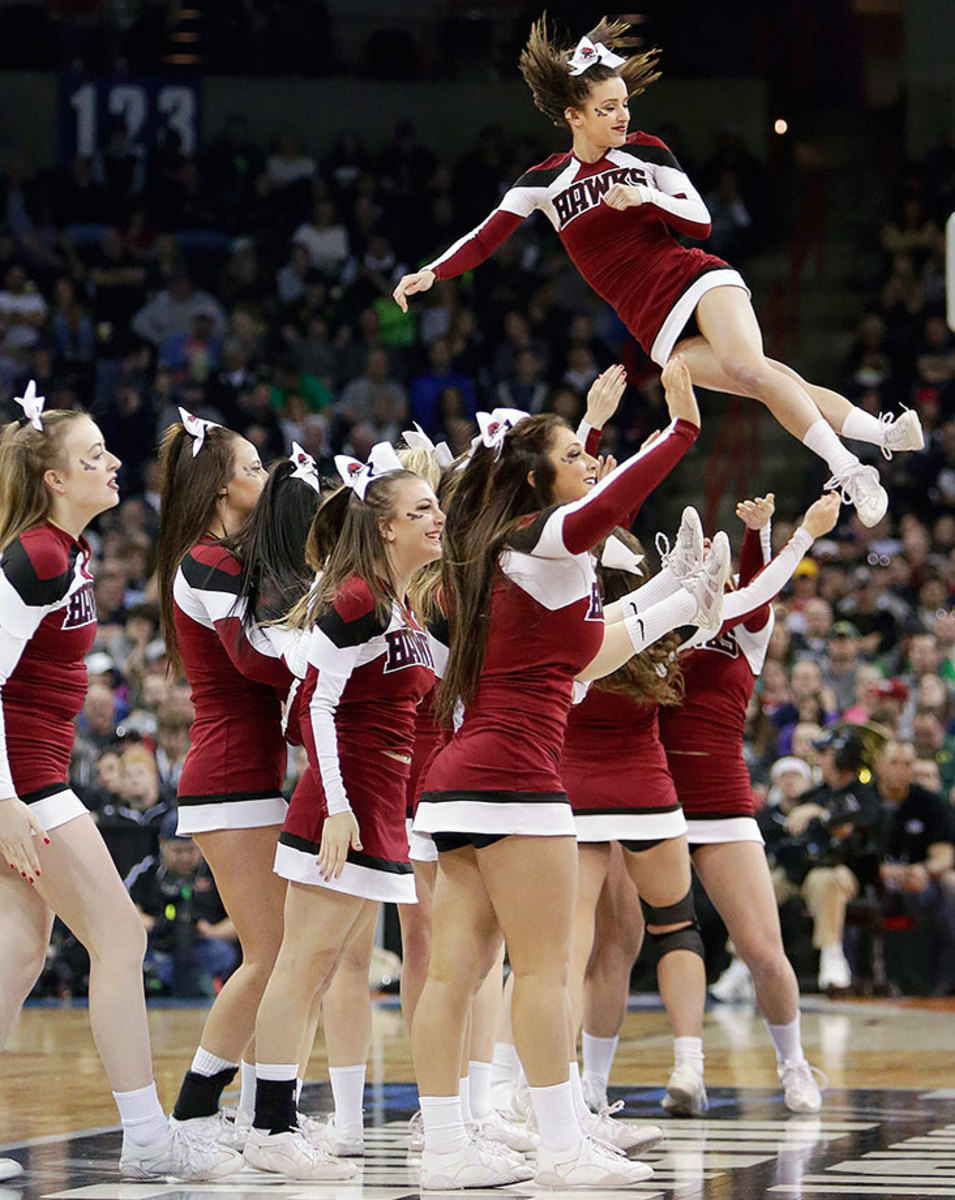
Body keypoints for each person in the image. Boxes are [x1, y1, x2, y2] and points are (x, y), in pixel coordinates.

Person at [393, 16, 925, 528]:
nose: (622, 116)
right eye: (608, 108)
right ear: (575, 115)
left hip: (695, 279)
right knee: (772, 379)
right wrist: (432, 274)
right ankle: (877, 432)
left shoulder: (646, 152)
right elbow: (486, 235)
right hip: (652, 321)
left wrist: (644, 194)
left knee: (747, 366)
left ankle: (851, 471)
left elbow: (701, 222)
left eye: (624, 104)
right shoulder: (544, 181)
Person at [409, 359, 731, 1190]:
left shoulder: (499, 555)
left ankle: (445, 1151)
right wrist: (680, 433)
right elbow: (602, 508)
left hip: (456, 784)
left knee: (454, 975)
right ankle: (560, 1148)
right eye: (577, 453)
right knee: (545, 973)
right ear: (534, 475)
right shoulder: (541, 538)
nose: (592, 462)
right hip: (517, 783)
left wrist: (678, 598)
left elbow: (587, 655)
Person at [0, 384, 239, 1182]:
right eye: (92, 454)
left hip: (28, 779)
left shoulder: (67, 552)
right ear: (53, 479)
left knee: (21, 953)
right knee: (120, 937)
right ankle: (145, 1134)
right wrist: (6, 802)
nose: (112, 462)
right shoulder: (32, 555)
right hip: (23, 783)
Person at [245, 444, 445, 1181]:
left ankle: (278, 1119)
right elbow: (314, 705)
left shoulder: (399, 603)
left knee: (323, 968)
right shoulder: (356, 598)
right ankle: (268, 1127)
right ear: (385, 526)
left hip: (380, 805)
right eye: (421, 509)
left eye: (436, 506)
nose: (437, 519)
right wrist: (334, 806)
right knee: (303, 965)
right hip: (346, 805)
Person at [659, 491, 840, 1111]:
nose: (718, 575)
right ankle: (655, 1075)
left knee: (763, 947)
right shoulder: (658, 623)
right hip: (651, 801)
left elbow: (761, 594)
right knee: (627, 943)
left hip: (724, 802)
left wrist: (761, 534)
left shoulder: (747, 632)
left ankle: (794, 1063)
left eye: (727, 568)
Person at [155, 411, 301, 1146]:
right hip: (228, 779)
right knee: (274, 954)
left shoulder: (229, 558)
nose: (264, 475)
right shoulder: (205, 562)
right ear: (219, 488)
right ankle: (200, 1105)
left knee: (279, 953)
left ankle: (238, 1109)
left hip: (246, 776)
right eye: (251, 468)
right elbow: (254, 661)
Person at [772, 730, 881, 991]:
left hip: (848, 873)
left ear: (844, 757)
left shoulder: (867, 794)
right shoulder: (815, 793)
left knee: (824, 881)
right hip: (805, 871)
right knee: (764, 883)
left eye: (825, 754)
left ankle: (831, 956)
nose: (819, 760)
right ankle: (741, 963)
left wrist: (822, 815)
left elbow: (862, 830)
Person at [128, 811, 238, 997]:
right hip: (159, 946)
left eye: (191, 850)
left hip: (202, 945)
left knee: (222, 953)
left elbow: (240, 919)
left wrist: (211, 931)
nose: (185, 857)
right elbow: (127, 910)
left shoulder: (216, 872)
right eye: (178, 851)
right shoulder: (146, 872)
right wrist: (153, 924)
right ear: (162, 844)